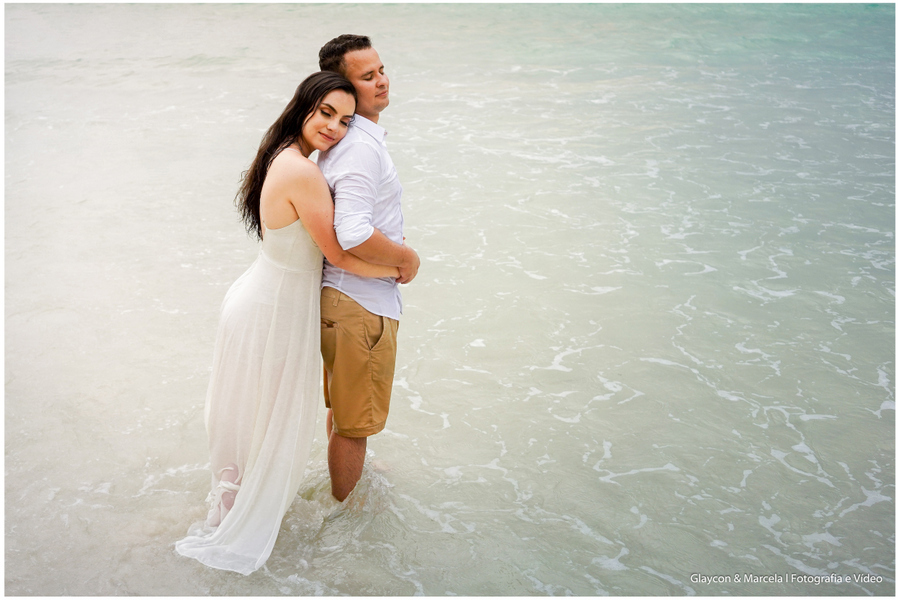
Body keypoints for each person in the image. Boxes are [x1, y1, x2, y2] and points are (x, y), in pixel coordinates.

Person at [175, 71, 399, 576]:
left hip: (263, 298)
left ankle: (228, 508)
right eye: (326, 114)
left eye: (345, 121)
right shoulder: (300, 171)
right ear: (303, 106)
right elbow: (339, 251)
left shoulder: (284, 157)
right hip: (269, 308)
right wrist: (400, 265)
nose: (335, 129)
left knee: (249, 414)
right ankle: (234, 518)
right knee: (259, 414)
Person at [316, 35, 420, 502]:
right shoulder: (359, 147)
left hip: (341, 298)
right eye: (367, 76)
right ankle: (347, 513)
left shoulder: (348, 141)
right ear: (344, 87)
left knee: (345, 413)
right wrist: (405, 258)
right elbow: (353, 230)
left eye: (381, 70)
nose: (381, 81)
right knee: (355, 423)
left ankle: (346, 483)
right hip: (360, 304)